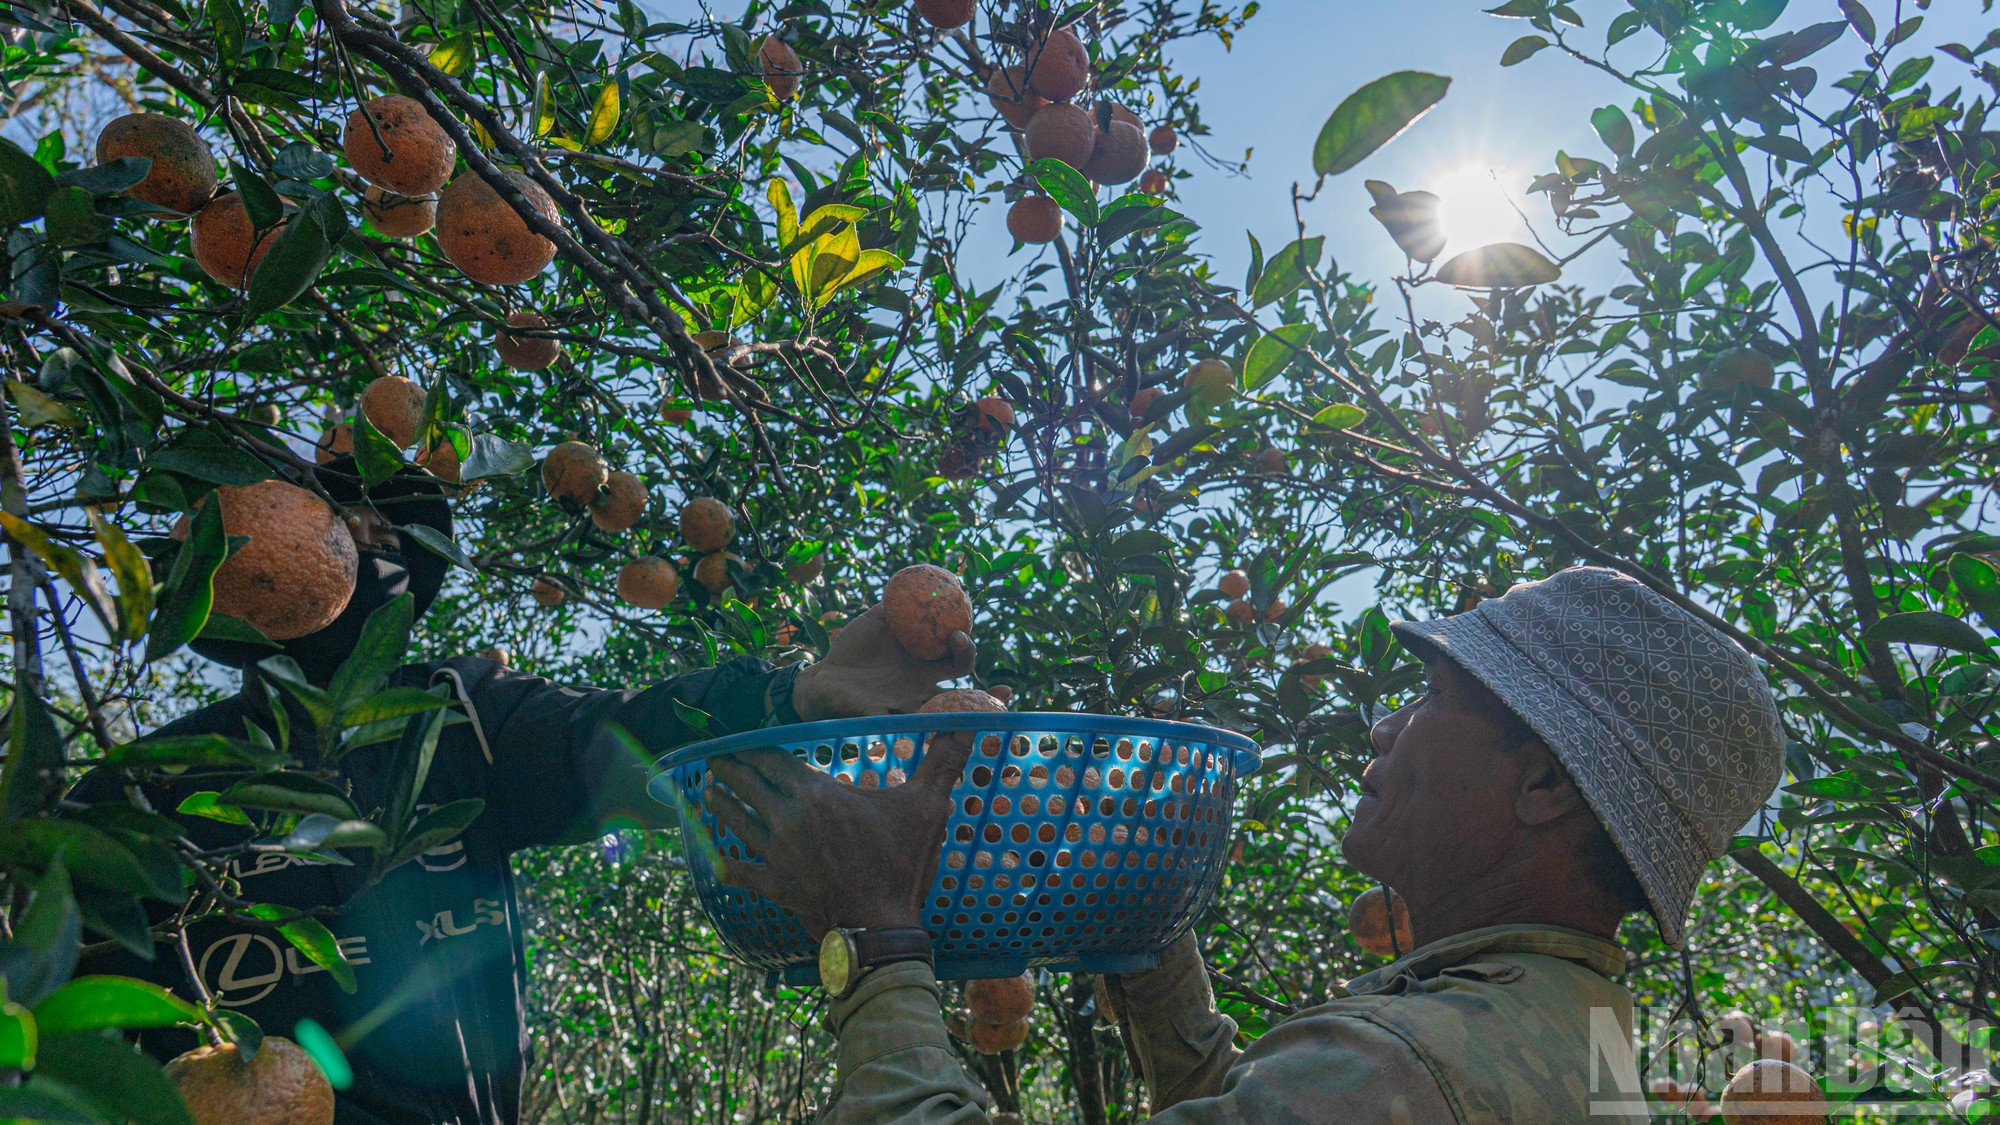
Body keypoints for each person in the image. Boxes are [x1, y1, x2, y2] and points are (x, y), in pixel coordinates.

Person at [706, 567, 1786, 1123]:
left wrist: (874, 931)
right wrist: (1145, 934)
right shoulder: (1561, 1036)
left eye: (1429, 697)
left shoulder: (1406, 1069)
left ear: (1543, 783)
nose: (1383, 727)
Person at [73, 457, 972, 1125]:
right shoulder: (146, 784)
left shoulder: (461, 717)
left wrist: (789, 692)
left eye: (375, 526)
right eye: (334, 519)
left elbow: (618, 733)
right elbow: (75, 1022)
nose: (363, 536)